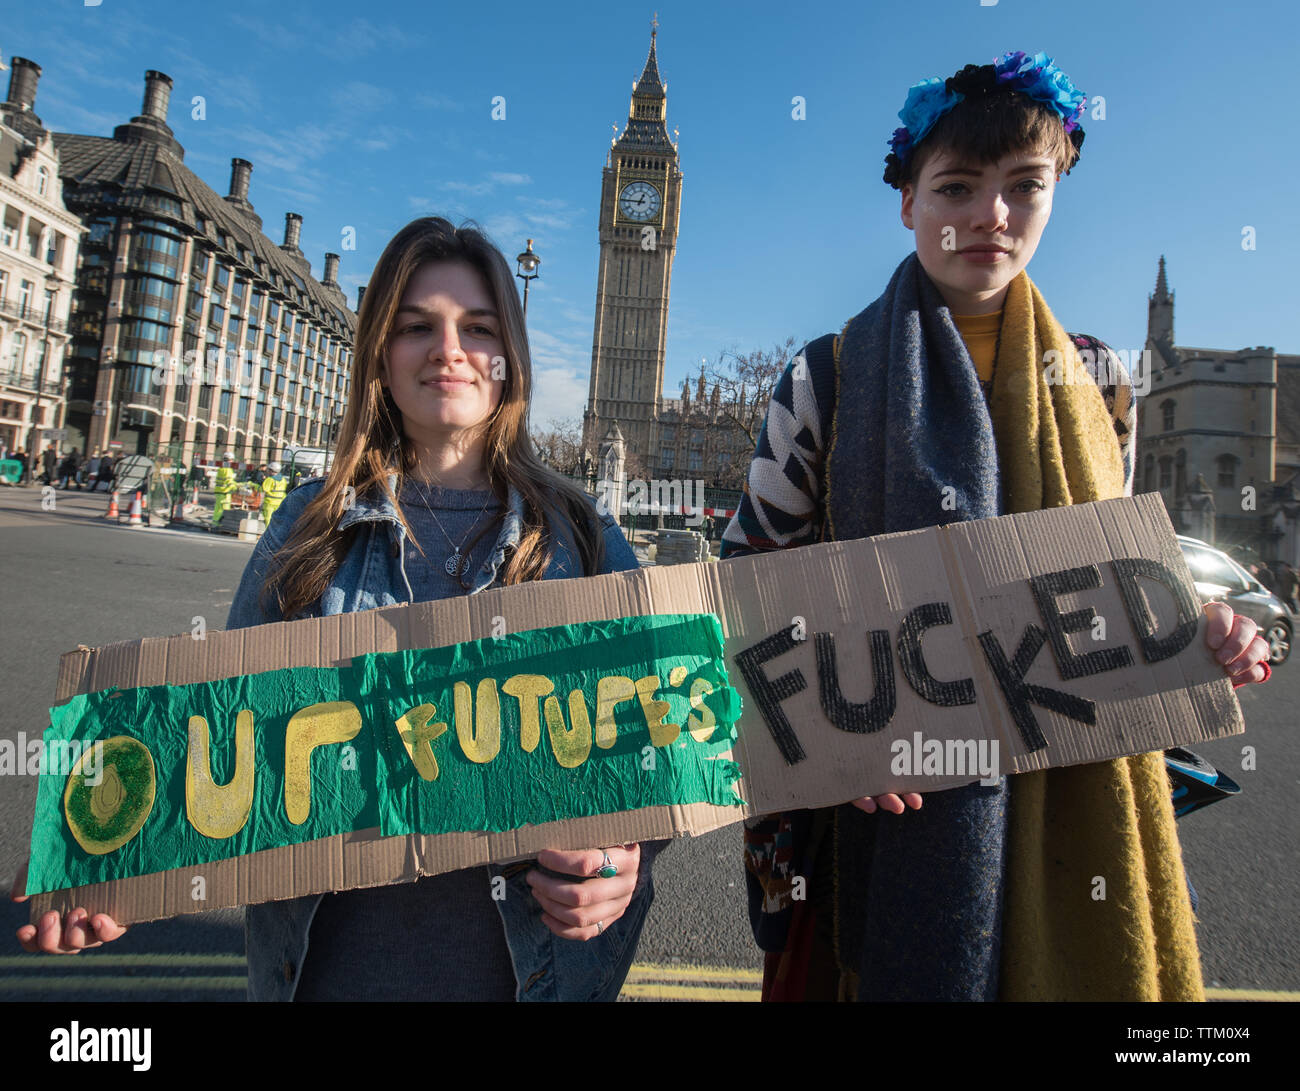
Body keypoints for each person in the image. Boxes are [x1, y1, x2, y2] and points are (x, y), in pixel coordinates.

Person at [721, 51, 1271, 1002]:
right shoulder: (828, 374)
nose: (992, 216)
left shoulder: (1099, 377)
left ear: (1056, 192)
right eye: (958, 187)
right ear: (908, 201)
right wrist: (833, 736)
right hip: (874, 809)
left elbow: (1111, 569)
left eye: (1026, 186)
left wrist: (1194, 624)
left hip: (1059, 796)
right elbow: (744, 589)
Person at [13, 217, 662, 1003]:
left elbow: (665, 747)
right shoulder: (305, 528)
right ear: (381, 357)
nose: (448, 348)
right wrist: (98, 851)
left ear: (509, 355)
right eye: (417, 326)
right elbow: (216, 736)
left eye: (478, 327)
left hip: (529, 979)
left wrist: (622, 856)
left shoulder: (583, 537)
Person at [211, 451, 237, 528]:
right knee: (223, 509)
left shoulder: (221, 468)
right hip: (225, 492)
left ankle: (215, 523)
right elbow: (229, 481)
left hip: (219, 491)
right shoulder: (228, 469)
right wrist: (236, 487)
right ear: (231, 460)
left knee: (218, 508)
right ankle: (219, 524)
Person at [259, 460, 288, 526]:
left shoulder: (270, 479)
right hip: (279, 503)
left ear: (271, 470)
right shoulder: (283, 479)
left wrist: (254, 485)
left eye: (268, 469)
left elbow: (264, 489)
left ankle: (268, 535)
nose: (267, 471)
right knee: (276, 520)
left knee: (268, 519)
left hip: (269, 503)